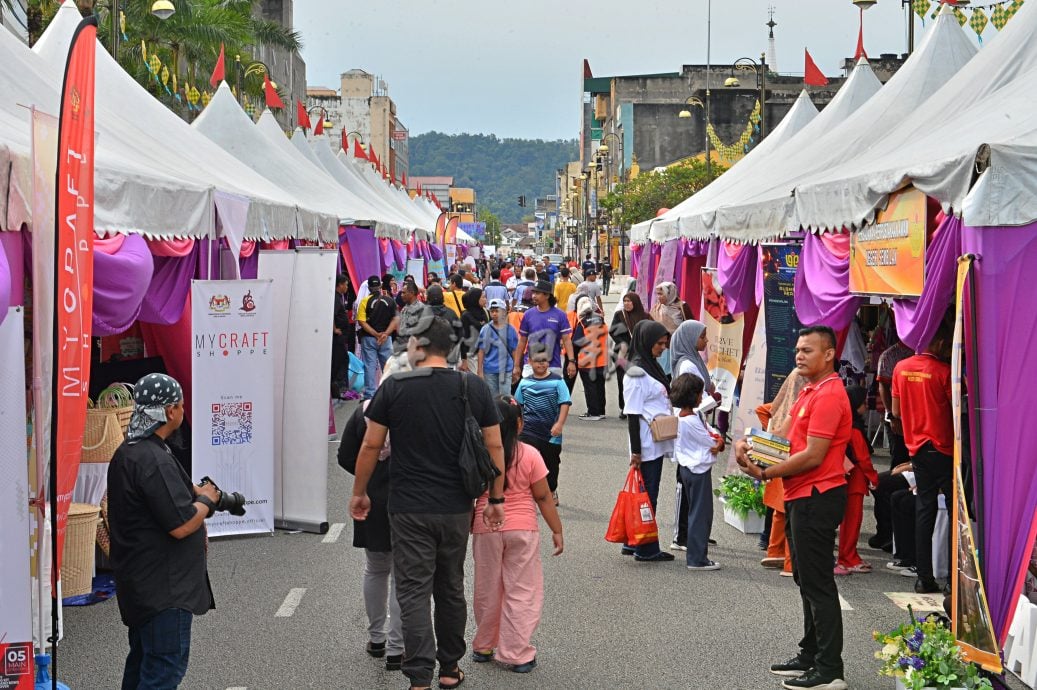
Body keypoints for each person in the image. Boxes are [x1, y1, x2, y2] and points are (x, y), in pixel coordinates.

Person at [350, 317, 506, 690]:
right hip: (455, 506)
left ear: (418, 346)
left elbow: (371, 445)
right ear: (450, 349)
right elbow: (495, 445)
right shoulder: (473, 387)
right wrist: (495, 498)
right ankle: (450, 668)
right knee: (450, 585)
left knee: (413, 589)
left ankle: (419, 675)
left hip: (407, 507)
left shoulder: (394, 388)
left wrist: (360, 492)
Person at [735, 326, 851, 690]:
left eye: (808, 351)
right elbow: (782, 439)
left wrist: (764, 472)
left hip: (819, 495)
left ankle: (830, 669)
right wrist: (747, 447)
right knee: (804, 577)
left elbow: (813, 456)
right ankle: (810, 653)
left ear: (829, 354)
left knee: (818, 583)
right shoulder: (808, 390)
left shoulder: (830, 394)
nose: (800, 356)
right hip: (800, 494)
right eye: (798, 350)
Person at [107, 374, 217, 690]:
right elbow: (181, 524)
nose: (183, 412)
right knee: (163, 671)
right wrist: (207, 501)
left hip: (142, 582)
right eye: (181, 405)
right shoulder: (151, 458)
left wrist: (198, 494)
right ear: (170, 411)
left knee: (144, 663)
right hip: (163, 588)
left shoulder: (133, 450)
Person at [471, 397, 564, 674]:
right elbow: (543, 496)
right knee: (522, 590)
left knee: (487, 587)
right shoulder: (530, 454)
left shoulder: (479, 453)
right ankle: (516, 652)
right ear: (520, 423)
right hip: (522, 527)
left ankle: (484, 644)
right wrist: (556, 530)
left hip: (485, 525)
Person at [338, 397, 404, 673]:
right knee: (404, 574)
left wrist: (368, 473)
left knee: (375, 568)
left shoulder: (364, 411)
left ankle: (377, 638)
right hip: (408, 495)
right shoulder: (414, 410)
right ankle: (398, 648)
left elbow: (344, 456)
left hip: (372, 495)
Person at [891, 326, 953, 595]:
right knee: (953, 513)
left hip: (916, 447)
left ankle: (923, 577)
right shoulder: (944, 371)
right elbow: (956, 411)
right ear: (939, 342)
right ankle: (952, 579)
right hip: (945, 449)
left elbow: (895, 412)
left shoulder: (900, 368)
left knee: (924, 509)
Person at [622, 320, 676, 562]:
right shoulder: (637, 372)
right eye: (659, 344)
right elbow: (632, 413)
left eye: (665, 344)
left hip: (653, 441)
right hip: (645, 445)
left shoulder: (649, 365)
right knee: (648, 496)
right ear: (646, 342)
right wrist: (636, 452)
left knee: (643, 494)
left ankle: (632, 542)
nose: (663, 348)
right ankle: (646, 548)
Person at [667, 319, 715, 552]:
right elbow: (691, 401)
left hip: (693, 425)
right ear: (689, 338)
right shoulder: (688, 365)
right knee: (687, 483)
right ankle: (682, 534)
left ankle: (694, 530)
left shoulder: (691, 360)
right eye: (702, 336)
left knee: (694, 484)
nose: (706, 341)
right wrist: (713, 400)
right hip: (690, 426)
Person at [670, 373, 724, 571]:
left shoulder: (679, 415)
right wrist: (718, 441)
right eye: (700, 393)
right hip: (698, 469)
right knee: (701, 514)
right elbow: (709, 439)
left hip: (686, 466)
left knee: (694, 511)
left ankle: (696, 555)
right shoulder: (692, 420)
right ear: (693, 395)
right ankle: (697, 558)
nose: (702, 397)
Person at [514, 346, 572, 505]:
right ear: (530, 362)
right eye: (538, 361)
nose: (541, 364)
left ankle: (552, 490)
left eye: (544, 361)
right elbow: (518, 405)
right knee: (525, 462)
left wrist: (559, 424)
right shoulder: (525, 382)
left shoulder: (557, 382)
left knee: (551, 464)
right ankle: (525, 494)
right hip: (528, 430)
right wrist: (518, 426)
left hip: (551, 433)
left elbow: (565, 403)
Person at [834, 385, 880, 576]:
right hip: (855, 480)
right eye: (863, 403)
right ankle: (848, 558)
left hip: (846, 478)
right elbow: (863, 458)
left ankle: (848, 556)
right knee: (852, 522)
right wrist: (874, 478)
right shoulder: (855, 428)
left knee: (847, 522)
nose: (866, 406)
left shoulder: (845, 422)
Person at [512, 280, 577, 384]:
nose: (533, 296)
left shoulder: (560, 315)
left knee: (552, 399)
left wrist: (571, 361)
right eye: (533, 293)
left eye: (537, 293)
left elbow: (566, 340)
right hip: (531, 365)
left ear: (547, 296)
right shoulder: (528, 315)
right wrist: (516, 366)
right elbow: (522, 341)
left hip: (553, 366)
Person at [876, 330, 913, 470]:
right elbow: (883, 387)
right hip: (897, 416)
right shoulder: (889, 355)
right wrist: (892, 416)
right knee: (899, 458)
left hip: (917, 416)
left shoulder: (921, 350)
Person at [609, 292, 650, 420]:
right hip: (623, 353)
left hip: (640, 354)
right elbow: (613, 331)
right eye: (625, 301)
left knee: (639, 381)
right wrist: (624, 344)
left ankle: (639, 407)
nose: (626, 303)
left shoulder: (645, 316)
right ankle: (624, 407)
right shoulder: (620, 315)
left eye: (629, 301)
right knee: (623, 381)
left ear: (635, 302)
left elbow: (651, 332)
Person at [357, 275, 399, 400]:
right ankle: (390, 392)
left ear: (369, 288)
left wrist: (375, 334)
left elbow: (361, 322)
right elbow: (396, 318)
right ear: (380, 287)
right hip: (386, 339)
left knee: (370, 365)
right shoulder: (390, 300)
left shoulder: (364, 301)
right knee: (387, 365)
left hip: (369, 338)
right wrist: (385, 333)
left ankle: (370, 394)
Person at [572, 295, 607, 421]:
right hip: (602, 359)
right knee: (600, 386)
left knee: (590, 387)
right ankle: (601, 411)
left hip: (587, 361)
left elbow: (577, 342)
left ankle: (593, 412)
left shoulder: (583, 323)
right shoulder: (601, 320)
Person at [478, 298, 519, 397]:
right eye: (492, 311)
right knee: (492, 398)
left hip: (506, 369)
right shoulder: (485, 329)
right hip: (489, 369)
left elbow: (514, 351)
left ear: (504, 312)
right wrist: (480, 370)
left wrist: (516, 367)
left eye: (497, 311)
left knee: (506, 396)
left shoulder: (510, 330)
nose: (494, 314)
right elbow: (481, 351)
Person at [649, 282, 693, 374]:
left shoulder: (682, 307)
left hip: (678, 347)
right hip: (661, 348)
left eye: (661, 294)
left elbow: (691, 326)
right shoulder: (657, 307)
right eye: (657, 294)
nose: (658, 297)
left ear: (670, 293)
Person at [332, 273, 356, 398]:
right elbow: (331, 314)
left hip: (341, 336)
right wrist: (335, 329)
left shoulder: (339, 297)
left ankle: (340, 387)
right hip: (337, 337)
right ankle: (339, 388)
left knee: (342, 359)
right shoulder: (335, 298)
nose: (347, 287)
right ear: (340, 285)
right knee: (340, 361)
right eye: (346, 285)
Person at [425, 285, 464, 362]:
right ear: (442, 297)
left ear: (428, 297)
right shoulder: (452, 313)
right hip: (448, 356)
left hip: (428, 358)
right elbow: (461, 336)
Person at [459, 287, 489, 373]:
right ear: (475, 299)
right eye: (483, 297)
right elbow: (463, 338)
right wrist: (464, 360)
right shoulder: (466, 316)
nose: (485, 300)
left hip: (485, 353)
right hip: (472, 356)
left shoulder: (485, 312)